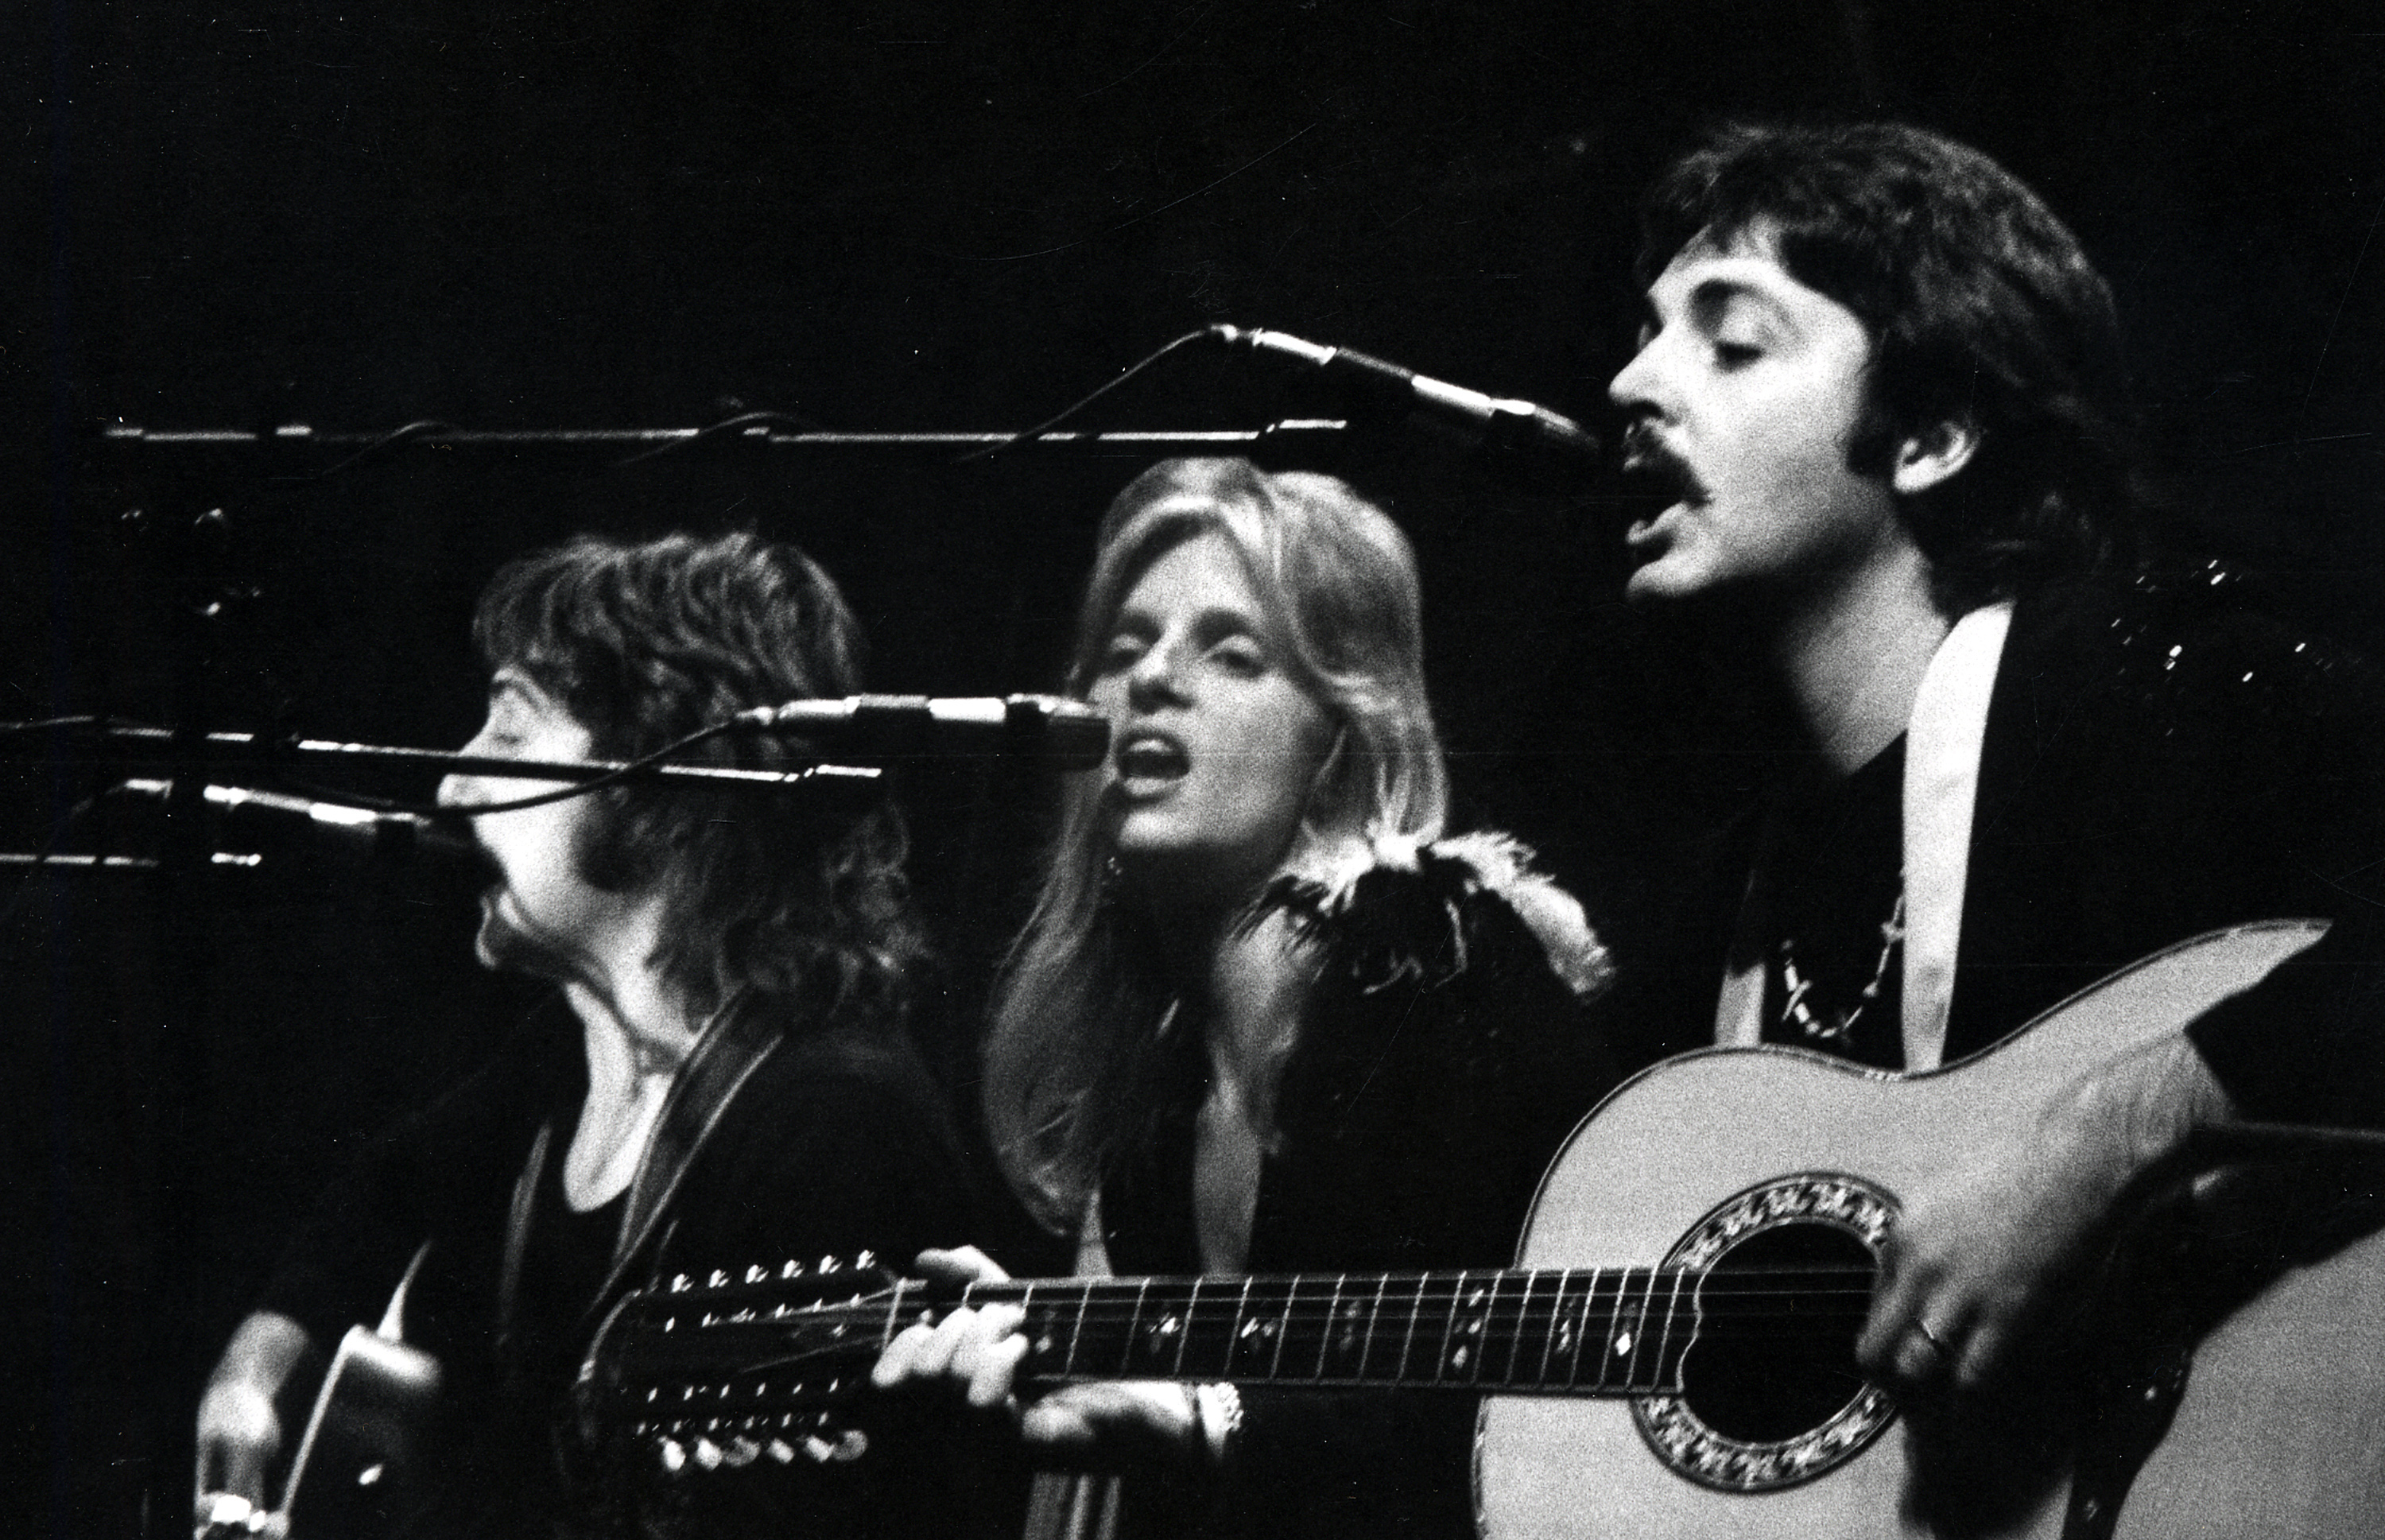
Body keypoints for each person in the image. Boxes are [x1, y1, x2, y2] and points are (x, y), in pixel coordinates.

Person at [1607, 119, 2385, 1514]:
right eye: (1645, 333)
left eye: (1730, 344)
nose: (1630, 386)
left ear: (1932, 433)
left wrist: (2106, 1138)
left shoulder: (2159, 687)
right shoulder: (1724, 897)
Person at [871, 456, 1619, 1539]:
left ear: (1341, 735)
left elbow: (1542, 1409)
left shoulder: (1429, 961)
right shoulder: (1154, 1075)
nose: (1152, 683)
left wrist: (1216, 1422)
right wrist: (1035, 1346)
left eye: (1231, 653)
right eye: (1122, 652)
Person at [193, 531, 992, 1539]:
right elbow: (381, 1191)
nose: (452, 783)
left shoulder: (834, 1123)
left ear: (656, 781)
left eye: (512, 734)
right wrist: (255, 1371)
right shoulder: (565, 1057)